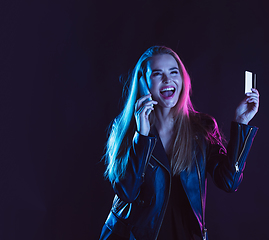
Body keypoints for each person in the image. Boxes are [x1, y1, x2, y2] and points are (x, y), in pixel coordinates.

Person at [99, 46, 259, 240]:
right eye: (158, 74)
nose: (168, 80)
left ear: (182, 80)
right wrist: (142, 135)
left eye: (174, 72)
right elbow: (127, 192)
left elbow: (229, 181)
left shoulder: (201, 128)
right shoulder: (126, 128)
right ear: (143, 83)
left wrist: (241, 123)